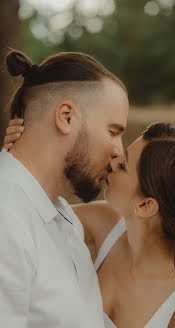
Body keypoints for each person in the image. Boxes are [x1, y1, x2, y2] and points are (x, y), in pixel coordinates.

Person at [5, 121, 175, 327]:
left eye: (123, 165)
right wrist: (18, 158)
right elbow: (20, 213)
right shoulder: (105, 222)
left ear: (145, 205)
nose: (112, 160)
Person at [0, 50, 128, 328]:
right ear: (66, 117)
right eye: (113, 131)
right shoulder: (6, 218)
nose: (119, 151)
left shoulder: (61, 213)